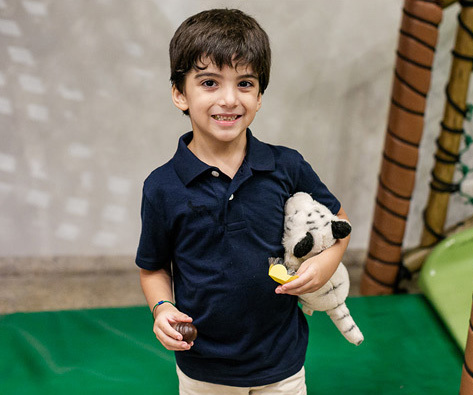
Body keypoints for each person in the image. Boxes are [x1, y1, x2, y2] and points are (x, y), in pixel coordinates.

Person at [136, 9, 348, 392]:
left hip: (282, 359)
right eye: (209, 83)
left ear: (260, 95)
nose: (230, 99)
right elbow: (153, 268)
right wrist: (162, 309)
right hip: (204, 365)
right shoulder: (162, 187)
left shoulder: (286, 165)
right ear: (180, 94)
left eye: (245, 83)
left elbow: (339, 221)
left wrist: (327, 263)